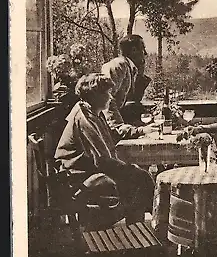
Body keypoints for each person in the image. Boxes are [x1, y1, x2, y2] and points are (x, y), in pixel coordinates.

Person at [54, 74, 155, 228]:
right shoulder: (83, 117)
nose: (110, 97)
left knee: (140, 179)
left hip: (87, 170)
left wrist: (139, 130)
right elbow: (101, 159)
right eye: (106, 93)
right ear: (94, 96)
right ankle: (141, 227)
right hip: (77, 176)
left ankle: (140, 226)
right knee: (140, 178)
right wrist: (129, 169)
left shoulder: (93, 112)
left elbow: (109, 136)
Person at [101, 34, 157, 140]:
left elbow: (133, 100)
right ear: (134, 50)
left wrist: (141, 74)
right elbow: (106, 97)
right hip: (105, 128)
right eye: (143, 49)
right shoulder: (118, 65)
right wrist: (118, 127)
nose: (145, 53)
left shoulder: (129, 67)